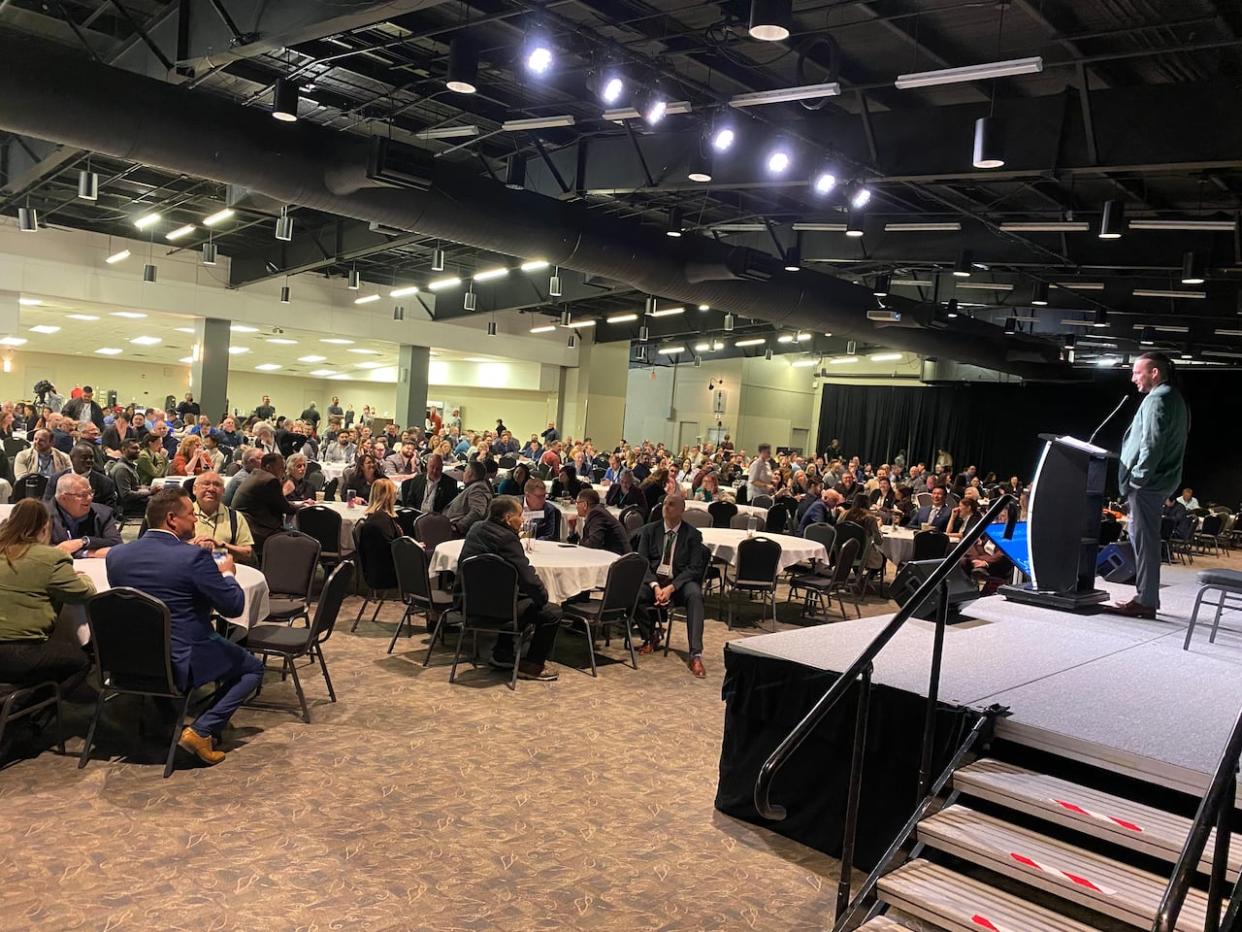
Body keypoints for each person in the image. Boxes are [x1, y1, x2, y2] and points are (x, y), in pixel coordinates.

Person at [106, 487, 260, 766]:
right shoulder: (193, 559)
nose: (195, 521)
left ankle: (163, 719)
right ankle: (201, 731)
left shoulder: (117, 555)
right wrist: (227, 575)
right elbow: (234, 607)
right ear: (172, 519)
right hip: (181, 658)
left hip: (127, 659)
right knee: (252, 668)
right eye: (190, 514)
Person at [1112, 351, 1190, 619]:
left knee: (1144, 541)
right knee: (1144, 539)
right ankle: (1146, 596)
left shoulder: (1157, 399)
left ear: (1154, 372)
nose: (1133, 378)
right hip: (1162, 481)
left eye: (1137, 372)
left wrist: (1137, 478)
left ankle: (1145, 601)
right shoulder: (1176, 399)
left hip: (1148, 483)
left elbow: (1151, 443)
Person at [455, 496, 561, 681]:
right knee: (551, 612)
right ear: (507, 518)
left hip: (468, 602)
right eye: (520, 515)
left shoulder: (476, 528)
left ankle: (502, 654)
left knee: (519, 599)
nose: (523, 519)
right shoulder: (507, 539)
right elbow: (528, 578)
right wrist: (543, 597)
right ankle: (532, 666)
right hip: (496, 608)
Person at [0, 499, 95, 690]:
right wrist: (84, 578)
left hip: (10, 653)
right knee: (82, 661)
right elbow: (85, 593)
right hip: (18, 651)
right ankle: (29, 709)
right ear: (45, 527)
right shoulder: (50, 558)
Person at [634, 496, 709, 677]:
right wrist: (655, 586)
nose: (666, 507)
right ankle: (650, 636)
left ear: (682, 509)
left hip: (679, 584)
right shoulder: (650, 531)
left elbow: (694, 568)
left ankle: (695, 654)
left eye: (672, 504)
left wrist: (671, 588)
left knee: (695, 595)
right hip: (655, 581)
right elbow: (642, 562)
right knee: (633, 592)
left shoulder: (692, 535)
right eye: (665, 504)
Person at [232, 453, 302, 556]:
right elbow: (286, 508)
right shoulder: (270, 480)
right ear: (269, 467)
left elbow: (276, 502)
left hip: (242, 523)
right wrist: (303, 506)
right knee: (299, 540)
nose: (284, 471)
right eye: (281, 467)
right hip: (256, 529)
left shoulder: (256, 474)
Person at [45, 472, 122, 558]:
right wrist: (89, 553)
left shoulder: (103, 514)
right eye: (83, 495)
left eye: (91, 493)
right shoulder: (41, 516)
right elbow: (36, 550)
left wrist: (84, 542)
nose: (90, 498)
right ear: (63, 498)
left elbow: (116, 544)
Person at [190, 472, 254, 564]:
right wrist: (194, 545)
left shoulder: (235, 517)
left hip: (223, 569)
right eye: (206, 484)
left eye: (217, 485)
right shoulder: (182, 515)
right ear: (194, 489)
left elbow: (247, 553)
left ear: (223, 491)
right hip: (188, 569)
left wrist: (221, 546)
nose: (211, 489)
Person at [357, 478, 401, 590]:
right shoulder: (382, 521)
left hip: (376, 571)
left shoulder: (376, 517)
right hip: (387, 574)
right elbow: (391, 549)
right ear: (388, 496)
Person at [46, 443, 118, 509]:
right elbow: (48, 504)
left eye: (91, 457)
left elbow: (110, 510)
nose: (89, 460)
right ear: (72, 458)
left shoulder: (105, 483)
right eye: (84, 457)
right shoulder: (56, 479)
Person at [566, 488, 630, 555]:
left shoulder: (596, 514)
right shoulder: (598, 512)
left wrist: (578, 542)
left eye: (577, 503)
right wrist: (572, 529)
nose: (576, 506)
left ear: (584, 505)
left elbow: (593, 545)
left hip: (618, 559)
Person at [443, 461, 493, 536]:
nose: (463, 474)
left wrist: (459, 526)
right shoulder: (475, 486)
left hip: (456, 532)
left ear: (470, 473)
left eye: (465, 471)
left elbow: (477, 511)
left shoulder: (478, 488)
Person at [110, 438, 152, 517]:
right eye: (134, 448)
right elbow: (126, 495)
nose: (138, 451)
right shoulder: (122, 469)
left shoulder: (129, 466)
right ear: (124, 449)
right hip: (128, 508)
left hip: (134, 503)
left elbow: (134, 487)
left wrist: (148, 488)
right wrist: (150, 492)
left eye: (139, 448)